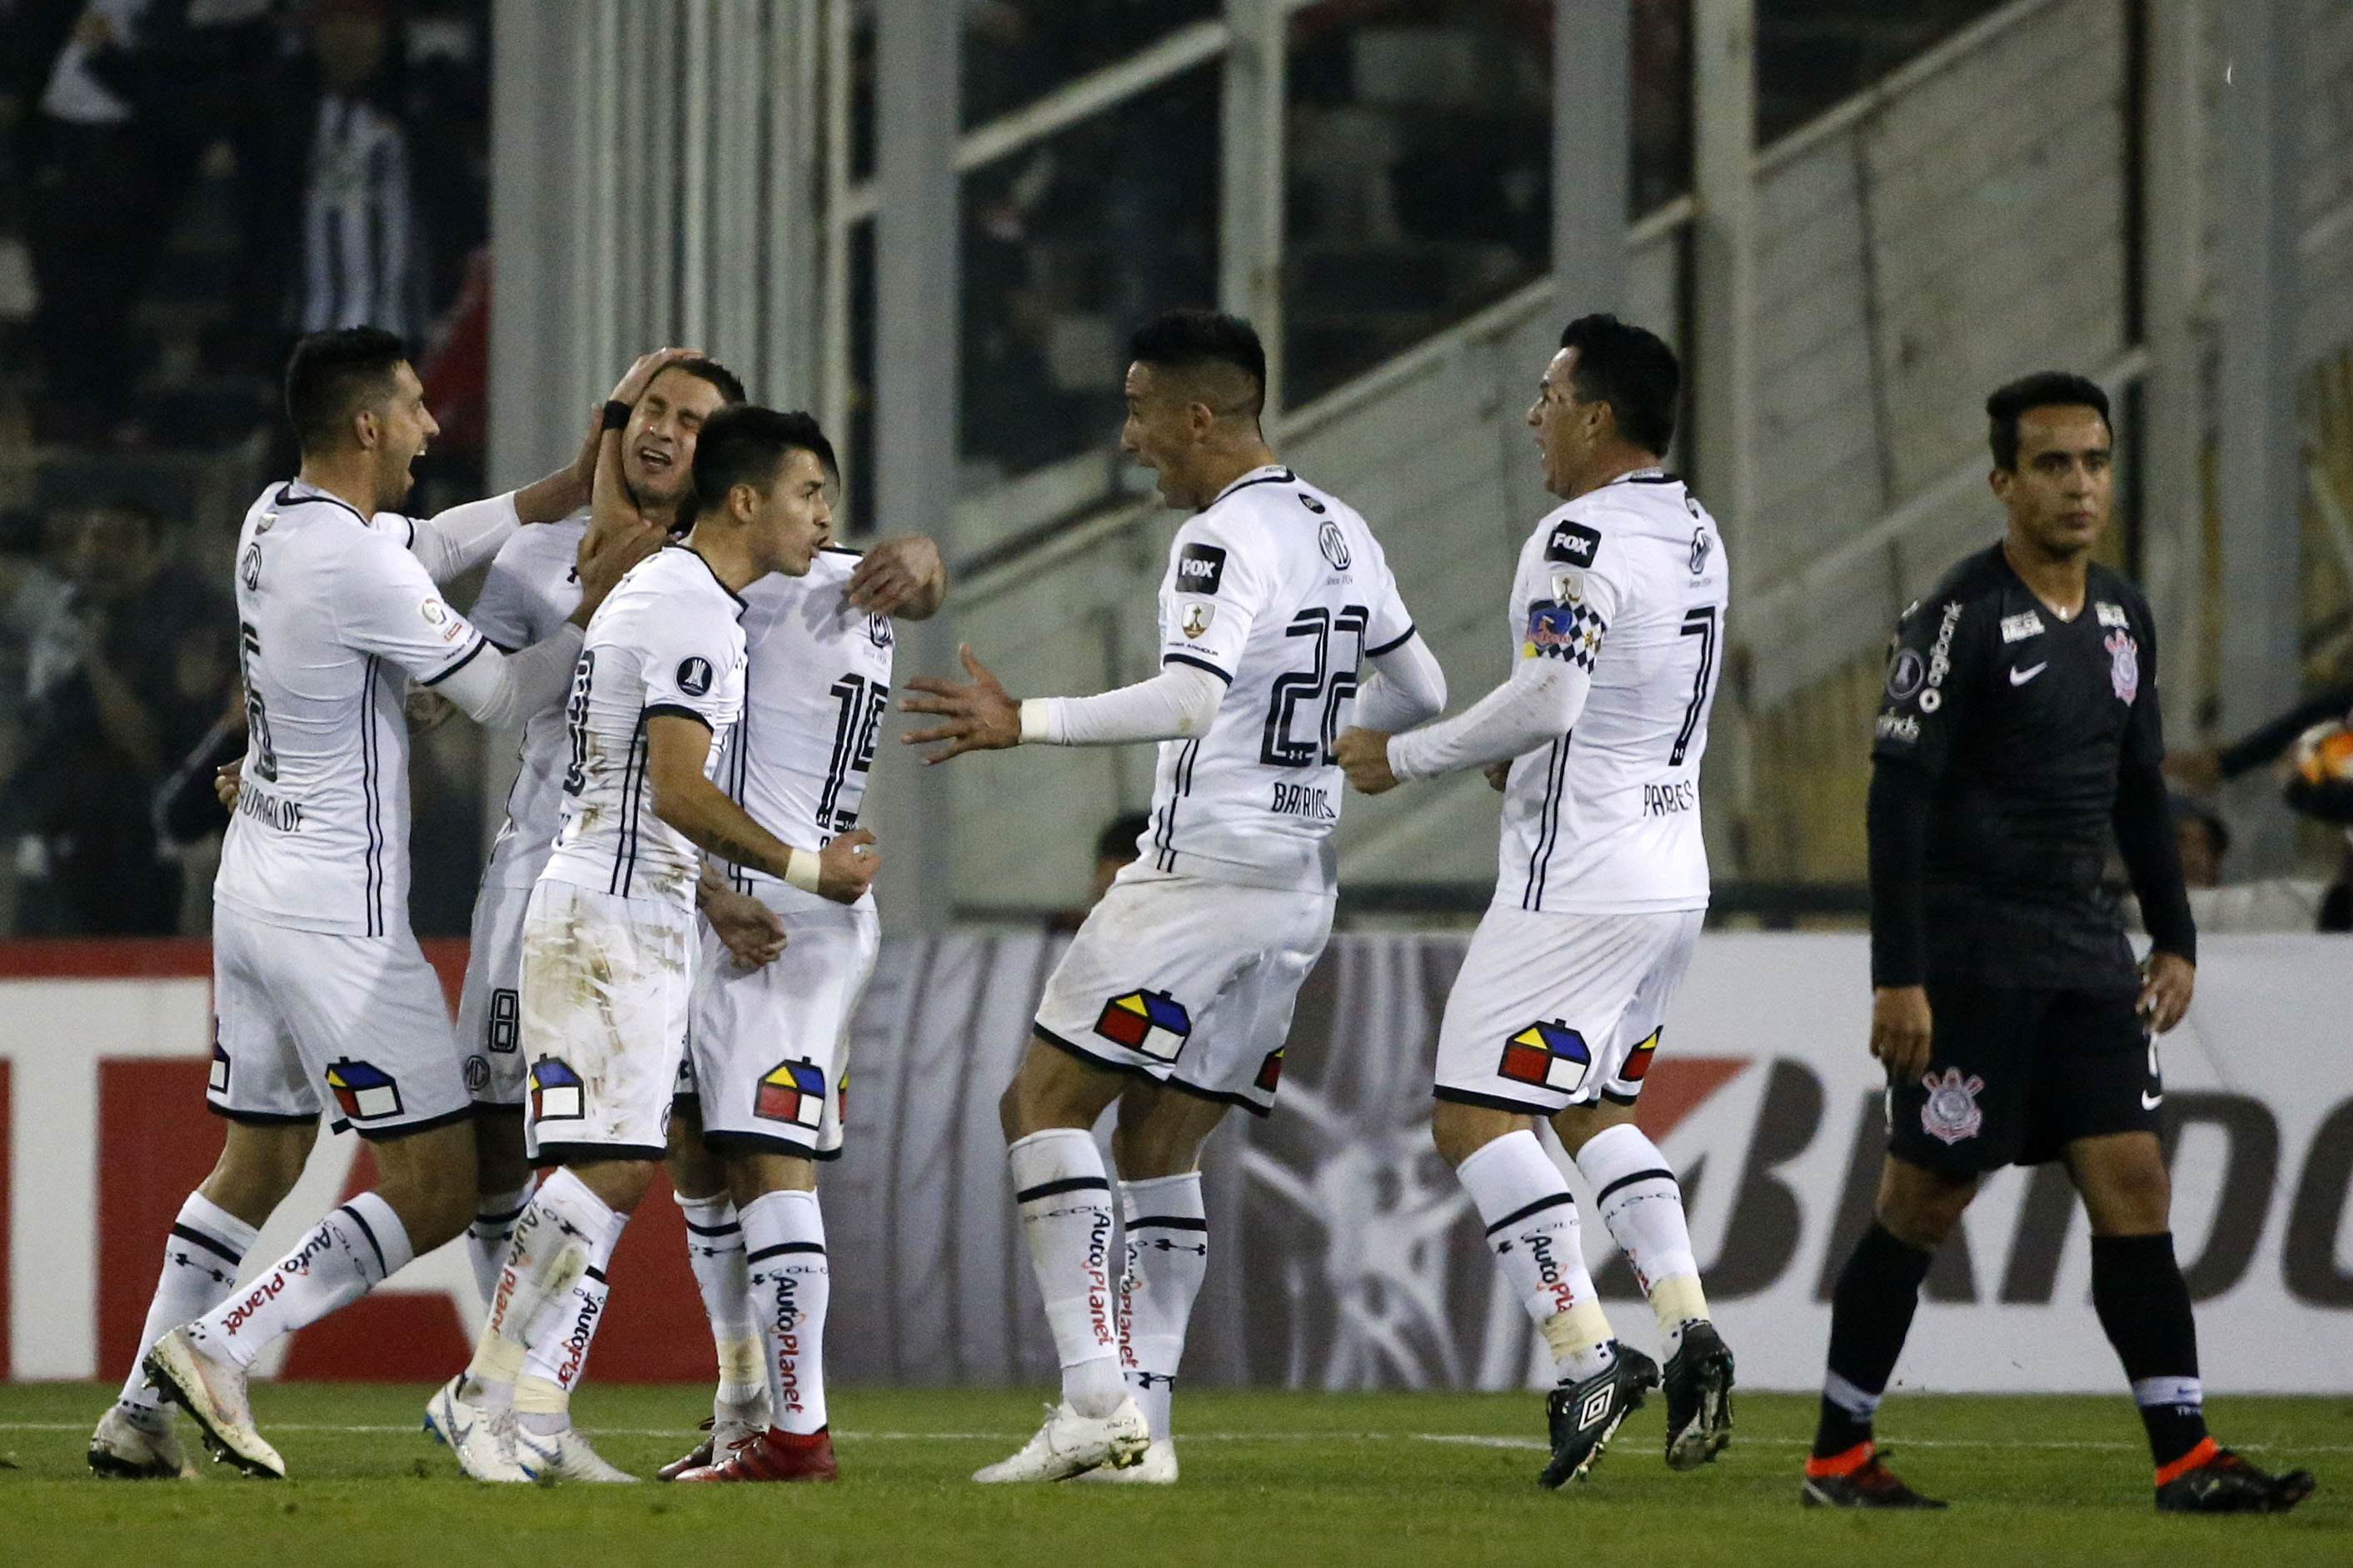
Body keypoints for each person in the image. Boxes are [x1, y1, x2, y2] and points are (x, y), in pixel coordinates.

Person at [900, 308, 1446, 1484]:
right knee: (1158, 1142)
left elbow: (1192, 701)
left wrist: (1022, 720)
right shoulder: (1338, 525)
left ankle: (1093, 1398)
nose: (1129, 433)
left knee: (1040, 1103)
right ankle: (1141, 1432)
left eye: (1142, 407)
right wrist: (1344, 753)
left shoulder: (1218, 539)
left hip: (1199, 874)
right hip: (1299, 887)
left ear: (1202, 416)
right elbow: (1426, 681)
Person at [101, 325, 647, 1481]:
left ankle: (139, 1415)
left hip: (251, 887)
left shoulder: (278, 517)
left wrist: (566, 479)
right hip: (335, 921)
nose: (430, 425)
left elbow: (433, 537)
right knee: (441, 1184)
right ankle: (216, 1344)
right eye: (413, 407)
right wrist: (597, 606)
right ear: (366, 424)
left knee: (259, 1155)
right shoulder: (353, 561)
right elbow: (499, 695)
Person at [1803, 371, 2316, 1513]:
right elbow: (1897, 801)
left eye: (2093, 460)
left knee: (2133, 1180)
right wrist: (1900, 973)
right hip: (1973, 959)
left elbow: (2138, 785)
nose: (2079, 483)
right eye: (2052, 463)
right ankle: (1838, 1450)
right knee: (1923, 1203)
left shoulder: (2125, 613)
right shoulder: (1956, 618)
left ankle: (2184, 1454)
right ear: (2003, 482)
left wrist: (2172, 935)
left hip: (2086, 954)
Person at [435, 403, 880, 1484]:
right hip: (610, 909)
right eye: (807, 494)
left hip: (632, 904)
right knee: (612, 1164)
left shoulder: (685, 592)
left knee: (621, 1162)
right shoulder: (690, 607)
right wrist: (807, 867)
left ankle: (508, 1397)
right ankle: (486, 1390)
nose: (823, 516)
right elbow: (678, 787)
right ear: (744, 500)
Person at [1334, 314, 1735, 1487]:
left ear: (1597, 416)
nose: (1533, 416)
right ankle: (1687, 1319)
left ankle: (1582, 1353)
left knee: (1471, 1113)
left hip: (1581, 880)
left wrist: (1402, 754)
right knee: (1594, 1107)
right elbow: (1635, 685)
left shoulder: (1577, 531)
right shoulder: (1694, 526)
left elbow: (1551, 696)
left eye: (1548, 395)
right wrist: (1540, 754)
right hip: (1672, 869)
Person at [656, 519, 947, 1486]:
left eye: (823, 492)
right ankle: (747, 1405)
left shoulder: (802, 582)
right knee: (701, 1147)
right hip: (733, 903)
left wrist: (926, 557)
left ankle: (795, 1434)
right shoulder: (711, 582)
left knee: (769, 1160)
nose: (821, 515)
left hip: (792, 911)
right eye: (804, 491)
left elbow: (913, 574)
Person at [0, 495, 229, 933]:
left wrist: (94, 657)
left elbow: (146, 745)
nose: (102, 552)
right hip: (47, 839)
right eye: (93, 537)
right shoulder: (63, 607)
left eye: (122, 541)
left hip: (138, 848)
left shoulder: (179, 625)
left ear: (152, 554)